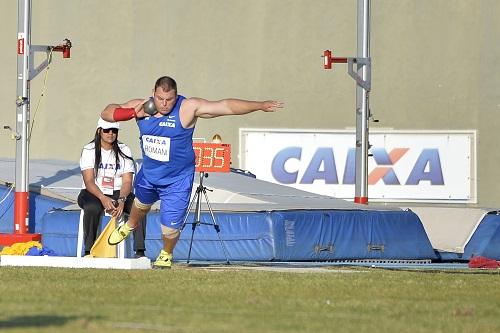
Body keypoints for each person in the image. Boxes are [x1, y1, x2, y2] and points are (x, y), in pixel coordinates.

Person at [102, 76, 283, 268]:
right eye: (160, 99)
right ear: (153, 93)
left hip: (177, 179)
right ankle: (130, 225)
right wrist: (130, 113)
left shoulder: (188, 108)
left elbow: (226, 106)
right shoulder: (141, 107)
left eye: (169, 99)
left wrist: (260, 105)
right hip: (149, 174)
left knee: (169, 229)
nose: (164, 104)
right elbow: (106, 113)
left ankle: (166, 254)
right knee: (140, 204)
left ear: (176, 95)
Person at [78, 118, 147, 258]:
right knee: (92, 208)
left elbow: (128, 181)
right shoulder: (89, 150)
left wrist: (122, 199)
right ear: (99, 131)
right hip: (94, 192)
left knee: (139, 206)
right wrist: (103, 198)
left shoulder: (124, 150)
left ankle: (139, 251)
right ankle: (89, 251)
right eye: (107, 130)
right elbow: (89, 181)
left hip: (118, 192)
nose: (110, 133)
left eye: (114, 130)